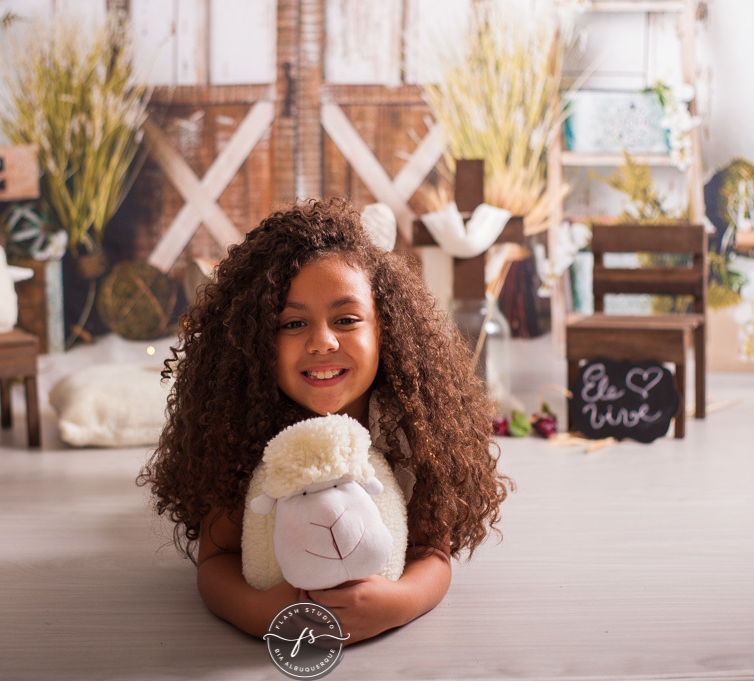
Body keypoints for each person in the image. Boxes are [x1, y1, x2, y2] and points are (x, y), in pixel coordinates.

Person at [138, 197, 511, 644]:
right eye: (293, 324)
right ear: (257, 340)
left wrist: (395, 604)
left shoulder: (407, 425)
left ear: (385, 329)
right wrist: (261, 612)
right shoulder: (243, 425)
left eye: (347, 319)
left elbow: (434, 553)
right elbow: (215, 560)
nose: (322, 342)